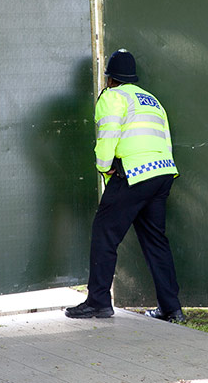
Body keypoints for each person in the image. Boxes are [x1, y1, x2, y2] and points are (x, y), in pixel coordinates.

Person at [65, 49, 184, 323]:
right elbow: (165, 139)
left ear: (110, 78)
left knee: (104, 233)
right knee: (156, 241)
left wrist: (104, 166)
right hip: (162, 173)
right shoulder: (152, 100)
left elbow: (108, 135)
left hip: (132, 173)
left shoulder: (113, 97)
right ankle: (171, 308)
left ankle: (98, 302)